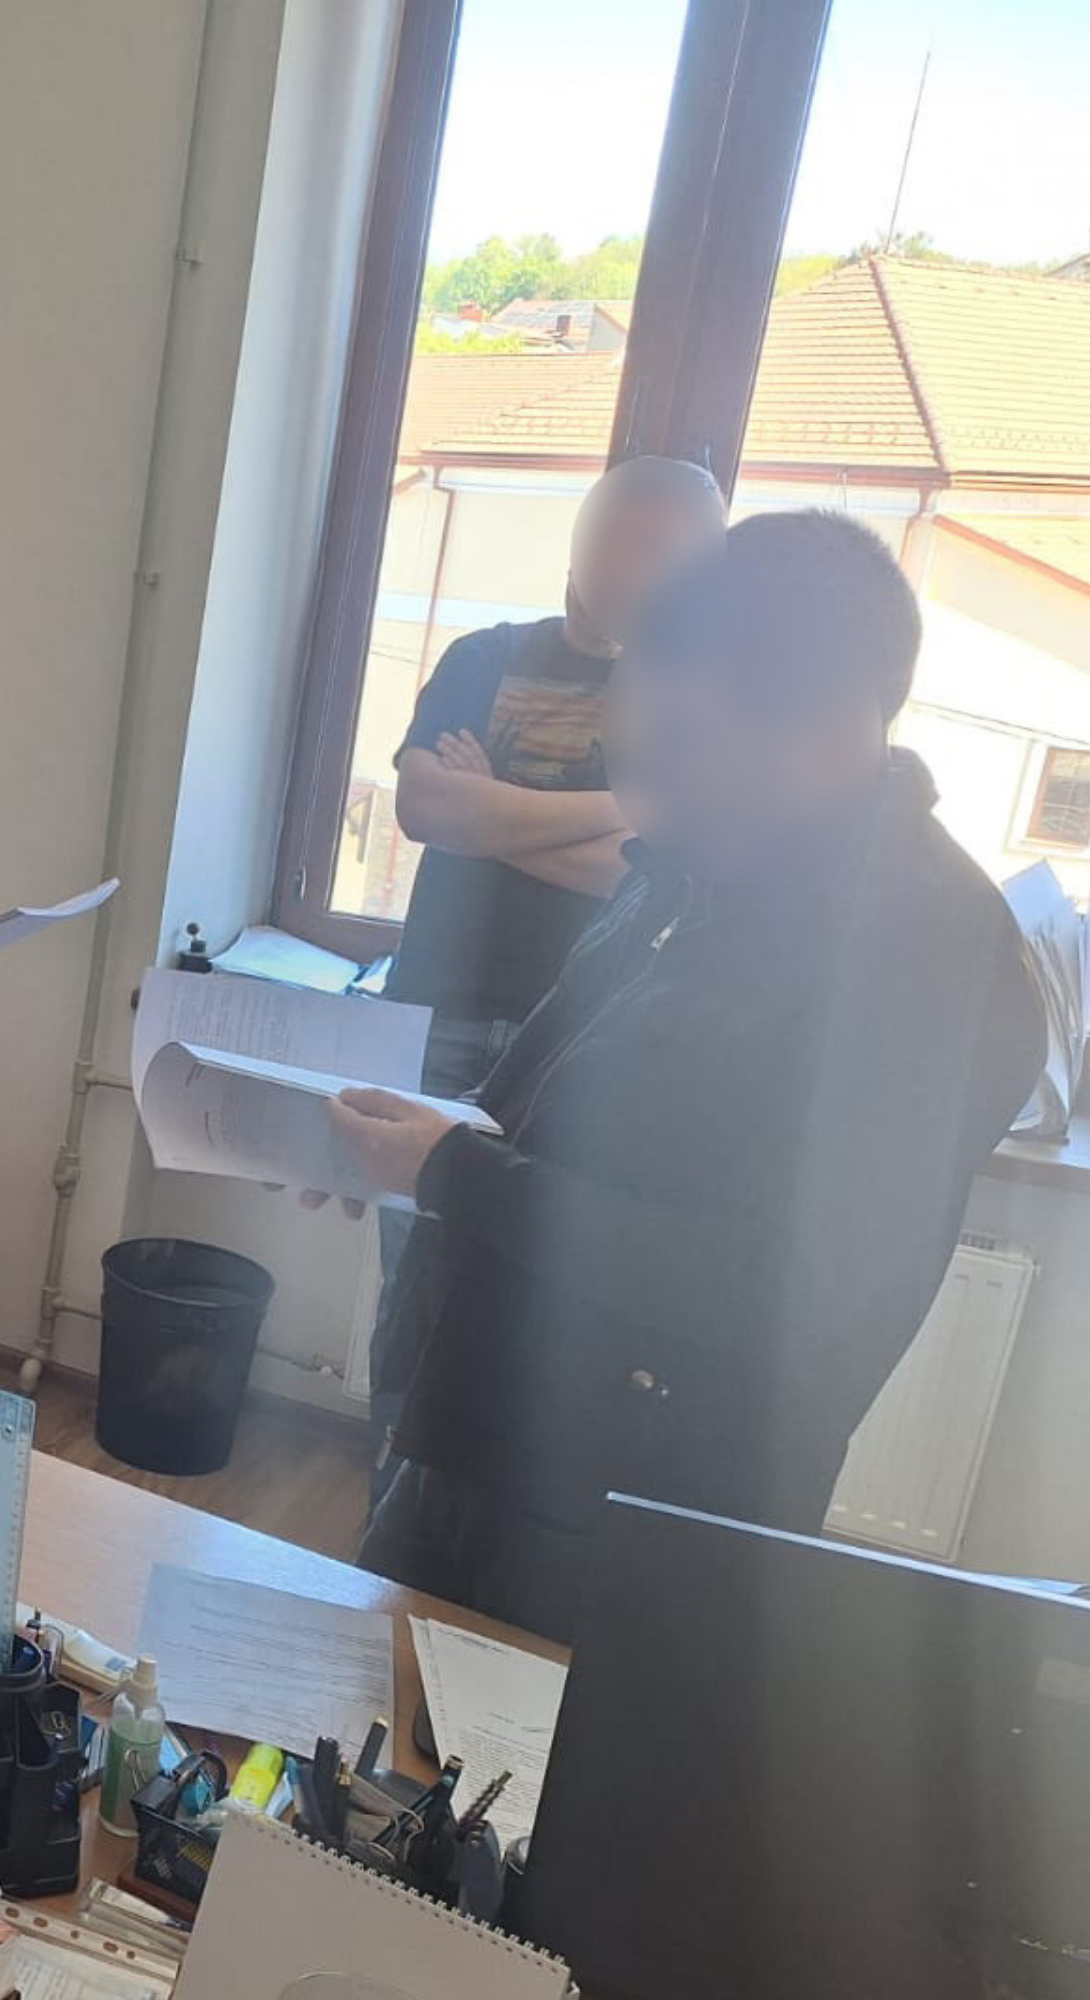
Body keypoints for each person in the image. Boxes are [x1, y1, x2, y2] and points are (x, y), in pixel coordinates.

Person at [333, 512, 1044, 1644]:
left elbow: (786, 1295)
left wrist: (454, 1171)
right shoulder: (703, 858)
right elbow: (543, 1107)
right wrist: (404, 1143)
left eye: (688, 741)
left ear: (829, 723)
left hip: (636, 1513)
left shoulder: (935, 954)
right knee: (360, 1706)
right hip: (481, 1426)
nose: (654, 781)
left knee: (520, 1753)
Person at [365, 454, 728, 1494]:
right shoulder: (486, 656)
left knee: (527, 1302)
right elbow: (425, 809)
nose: (635, 565)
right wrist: (619, 810)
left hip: (577, 1045)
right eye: (620, 535)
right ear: (581, 533)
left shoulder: (685, 705)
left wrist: (492, 815)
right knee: (409, 1291)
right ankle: (386, 1515)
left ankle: (459, 1527)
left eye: (666, 551)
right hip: (432, 1018)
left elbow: (643, 868)